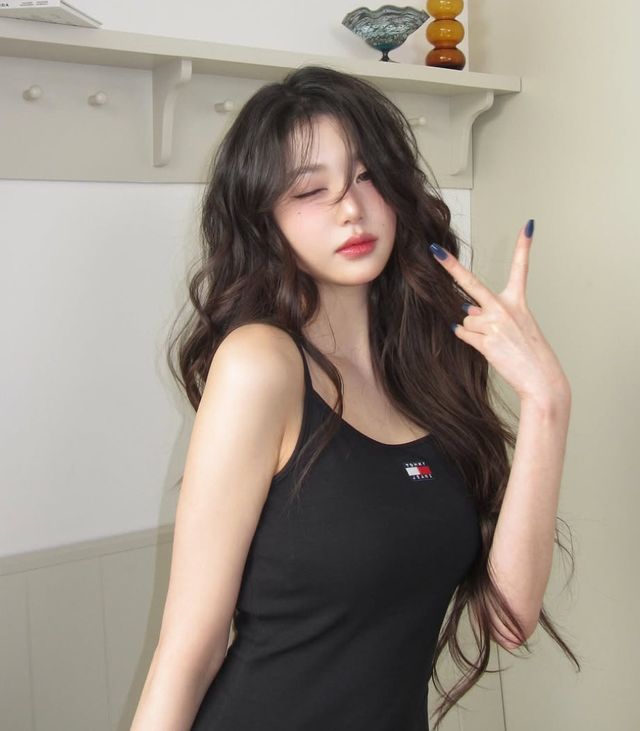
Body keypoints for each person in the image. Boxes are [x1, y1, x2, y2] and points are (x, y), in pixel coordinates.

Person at [130, 64, 580, 731]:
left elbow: (509, 619)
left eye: (368, 177)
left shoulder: (432, 372)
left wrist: (547, 404)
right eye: (311, 189)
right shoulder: (260, 365)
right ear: (264, 219)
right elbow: (187, 652)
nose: (351, 208)